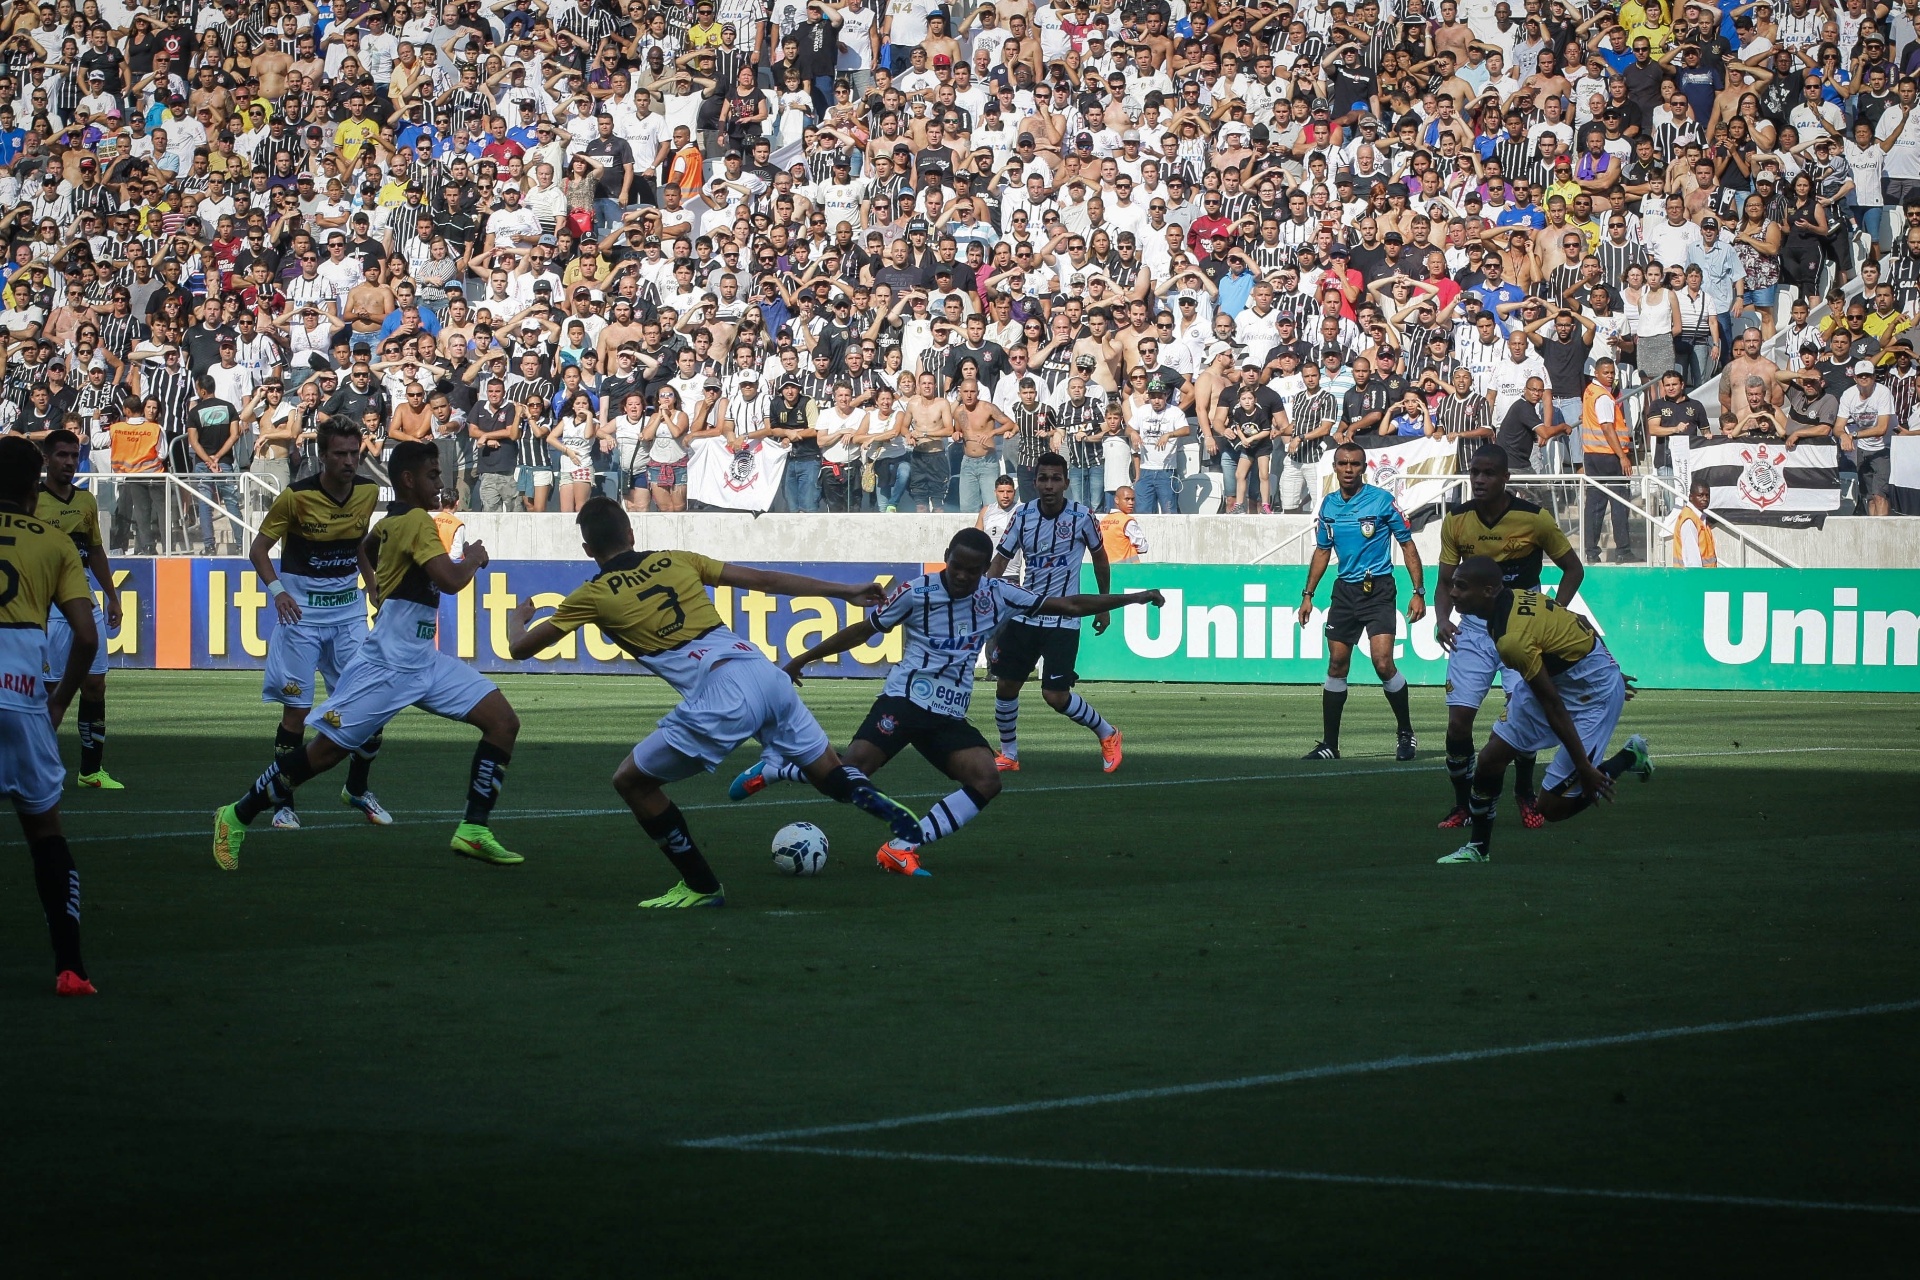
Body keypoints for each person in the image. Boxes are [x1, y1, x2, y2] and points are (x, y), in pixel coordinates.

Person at [503, 497, 921, 908]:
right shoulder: (676, 559)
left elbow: (520, 648)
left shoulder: (591, 594)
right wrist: (845, 590)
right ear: (631, 533)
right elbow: (766, 581)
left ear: (588, 550)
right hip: (765, 671)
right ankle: (879, 804)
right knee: (831, 774)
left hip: (721, 692)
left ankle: (701, 886)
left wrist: (516, 618)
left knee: (631, 781)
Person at [731, 528, 1163, 877]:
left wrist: (1134, 597)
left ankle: (901, 847)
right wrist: (803, 658)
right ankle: (777, 769)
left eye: (972, 571)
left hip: (949, 714)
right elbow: (865, 631)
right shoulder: (916, 592)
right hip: (904, 701)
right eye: (956, 566)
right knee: (852, 776)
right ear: (947, 558)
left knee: (987, 780)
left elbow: (1068, 604)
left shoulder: (997, 595)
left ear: (984, 570)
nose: (962, 576)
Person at [214, 444, 522, 871]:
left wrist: (376, 584)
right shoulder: (415, 519)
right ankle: (236, 814)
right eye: (433, 475)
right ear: (409, 480)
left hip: (423, 661)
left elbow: (366, 548)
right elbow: (450, 581)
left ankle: (473, 829)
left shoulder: (393, 519)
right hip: (387, 666)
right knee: (322, 755)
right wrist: (472, 557)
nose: (439, 483)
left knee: (503, 721)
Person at [1437, 555, 1653, 864]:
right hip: (1561, 681)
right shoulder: (1512, 600)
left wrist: (1584, 768)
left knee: (1551, 809)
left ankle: (1629, 755)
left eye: (1460, 586)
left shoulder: (1512, 638)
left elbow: (1553, 705)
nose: (1453, 593)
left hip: (1591, 697)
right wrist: (1604, 661)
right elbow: (1578, 620)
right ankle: (1478, 849)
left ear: (1487, 591)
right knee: (1489, 760)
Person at [1433, 445, 1587, 831]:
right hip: (1473, 631)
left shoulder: (1534, 519)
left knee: (1522, 716)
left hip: (1523, 632)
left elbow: (1573, 569)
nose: (1480, 480)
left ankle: (1523, 791)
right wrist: (1442, 618)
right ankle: (1463, 803)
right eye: (1475, 472)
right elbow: (1445, 582)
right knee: (1458, 724)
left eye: (1488, 473)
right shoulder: (1456, 520)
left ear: (1506, 478)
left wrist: (1553, 613)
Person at [247, 421, 386, 831]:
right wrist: (278, 591)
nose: (348, 461)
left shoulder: (368, 491)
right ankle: (282, 804)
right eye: (340, 453)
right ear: (322, 455)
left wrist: (373, 581)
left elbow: (358, 542)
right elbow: (258, 549)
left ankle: (357, 789)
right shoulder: (296, 496)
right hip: (302, 617)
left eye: (353, 453)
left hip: (348, 614)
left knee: (370, 707)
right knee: (297, 713)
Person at [0, 435, 100, 996]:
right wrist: (58, 699)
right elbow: (84, 636)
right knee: (45, 833)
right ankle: (71, 969)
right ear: (34, 491)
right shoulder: (54, 540)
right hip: (21, 698)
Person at [984, 453, 1124, 774]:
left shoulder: (1083, 516)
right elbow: (1001, 560)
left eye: (1055, 478)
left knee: (1055, 695)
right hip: (1025, 614)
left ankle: (1108, 733)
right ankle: (1009, 755)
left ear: (1066, 482)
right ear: (1034, 483)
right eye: (1043, 478)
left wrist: (1103, 605)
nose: (1049, 485)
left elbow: (1100, 558)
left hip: (1064, 617)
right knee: (1006, 685)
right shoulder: (1021, 516)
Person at [1297, 441, 1426, 762]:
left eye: (1355, 464)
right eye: (1343, 464)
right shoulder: (1328, 506)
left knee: (1382, 662)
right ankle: (1330, 744)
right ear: (1335, 467)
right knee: (1337, 664)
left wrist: (1418, 591)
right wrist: (1308, 595)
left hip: (1379, 590)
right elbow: (1323, 550)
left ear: (1364, 468)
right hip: (1345, 592)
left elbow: (1407, 545)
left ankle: (1406, 734)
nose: (1349, 470)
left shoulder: (1383, 501)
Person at [36, 430, 124, 790]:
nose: (70, 462)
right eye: (62, 455)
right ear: (46, 459)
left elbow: (96, 552)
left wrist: (113, 596)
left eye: (74, 456)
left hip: (85, 603)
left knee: (95, 684)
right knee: (50, 690)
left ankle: (91, 770)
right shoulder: (32, 501)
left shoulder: (86, 501)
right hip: (47, 607)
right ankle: (37, 769)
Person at [1672, 479, 1718, 567]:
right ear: (1691, 497)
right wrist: (1697, 579)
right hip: (1696, 578)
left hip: (1706, 577)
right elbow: (1692, 561)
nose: (1705, 499)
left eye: (1707, 495)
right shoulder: (1689, 521)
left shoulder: (1699, 518)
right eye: (1700, 495)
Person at [1100, 485, 1149, 562]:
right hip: (1127, 569)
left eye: (1133, 499)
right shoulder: (1127, 521)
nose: (1131, 503)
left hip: (1108, 568)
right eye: (1127, 499)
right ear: (1116, 500)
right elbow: (1143, 547)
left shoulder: (1104, 521)